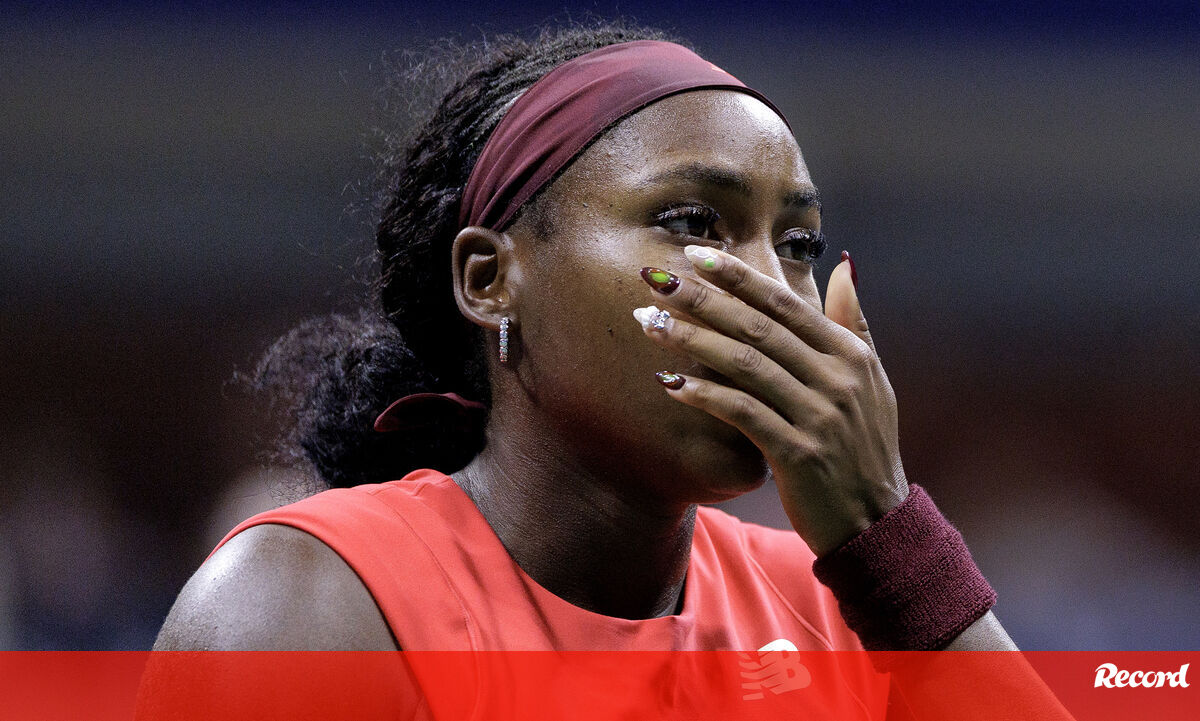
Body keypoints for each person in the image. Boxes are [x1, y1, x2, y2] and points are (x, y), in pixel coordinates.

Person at [150, 22, 1068, 720]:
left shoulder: (844, 607)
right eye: (693, 223)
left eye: (799, 244)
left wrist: (893, 544)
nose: (770, 292)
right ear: (490, 278)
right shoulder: (305, 603)